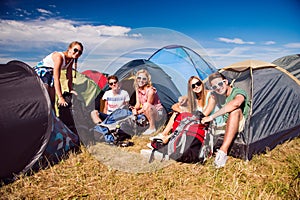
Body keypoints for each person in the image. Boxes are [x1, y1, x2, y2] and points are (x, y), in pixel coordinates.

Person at [201, 72, 250, 168]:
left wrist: (212, 117)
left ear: (226, 82)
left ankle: (223, 151)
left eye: (220, 84)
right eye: (214, 87)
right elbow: (208, 109)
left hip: (240, 121)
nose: (218, 88)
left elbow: (236, 103)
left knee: (235, 111)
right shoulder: (217, 95)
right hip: (225, 123)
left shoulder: (238, 92)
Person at [150, 76, 218, 143]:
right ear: (191, 89)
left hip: (209, 122)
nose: (196, 86)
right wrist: (182, 111)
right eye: (193, 86)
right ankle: (164, 134)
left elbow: (204, 115)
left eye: (198, 83)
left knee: (188, 120)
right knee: (176, 113)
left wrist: (186, 116)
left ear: (202, 83)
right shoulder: (194, 99)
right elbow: (174, 106)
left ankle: (169, 137)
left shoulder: (211, 96)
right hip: (198, 121)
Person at [34, 41, 83, 108]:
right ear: (69, 49)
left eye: (80, 52)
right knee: (47, 98)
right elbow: (56, 78)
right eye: (75, 50)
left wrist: (70, 89)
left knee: (52, 100)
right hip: (42, 72)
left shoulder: (71, 60)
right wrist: (60, 97)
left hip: (50, 74)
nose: (77, 53)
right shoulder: (59, 57)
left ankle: (52, 116)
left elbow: (69, 76)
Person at [131, 69, 166, 135]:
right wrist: (134, 109)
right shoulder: (137, 89)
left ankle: (152, 127)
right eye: (139, 78)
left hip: (157, 113)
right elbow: (138, 104)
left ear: (147, 80)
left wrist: (137, 112)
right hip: (146, 111)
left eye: (144, 79)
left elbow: (147, 106)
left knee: (146, 105)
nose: (141, 80)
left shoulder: (150, 91)